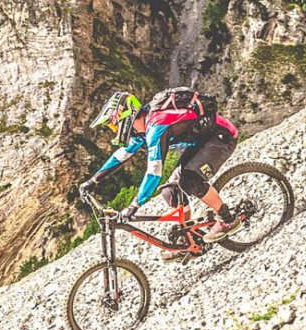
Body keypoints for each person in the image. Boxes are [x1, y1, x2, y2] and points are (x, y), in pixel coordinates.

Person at [79, 90, 241, 261]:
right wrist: (93, 181)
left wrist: (134, 205)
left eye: (114, 125)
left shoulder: (156, 125)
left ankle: (227, 219)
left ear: (125, 116)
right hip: (200, 142)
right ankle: (189, 239)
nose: (114, 130)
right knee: (170, 191)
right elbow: (121, 156)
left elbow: (154, 172)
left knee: (189, 180)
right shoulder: (141, 128)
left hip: (221, 137)